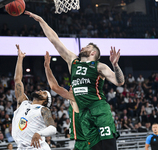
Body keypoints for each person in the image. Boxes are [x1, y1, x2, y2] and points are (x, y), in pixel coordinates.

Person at [25, 11, 124, 150]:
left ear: (93, 53)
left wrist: (115, 65)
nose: (83, 48)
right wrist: (41, 20)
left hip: (98, 108)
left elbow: (119, 81)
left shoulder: (99, 66)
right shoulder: (73, 61)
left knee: (108, 146)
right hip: (83, 113)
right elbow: (55, 40)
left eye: (87, 47)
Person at [12, 45, 57, 149]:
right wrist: (20, 59)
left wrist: (39, 133)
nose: (41, 91)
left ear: (45, 101)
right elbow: (18, 80)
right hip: (22, 147)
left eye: (44, 93)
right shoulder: (23, 102)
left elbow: (53, 129)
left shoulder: (43, 109)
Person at [44, 51, 90, 150]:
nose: (70, 87)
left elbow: (54, 87)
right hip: (82, 141)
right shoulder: (84, 98)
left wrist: (47, 67)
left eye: (72, 87)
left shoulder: (76, 98)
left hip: (85, 142)